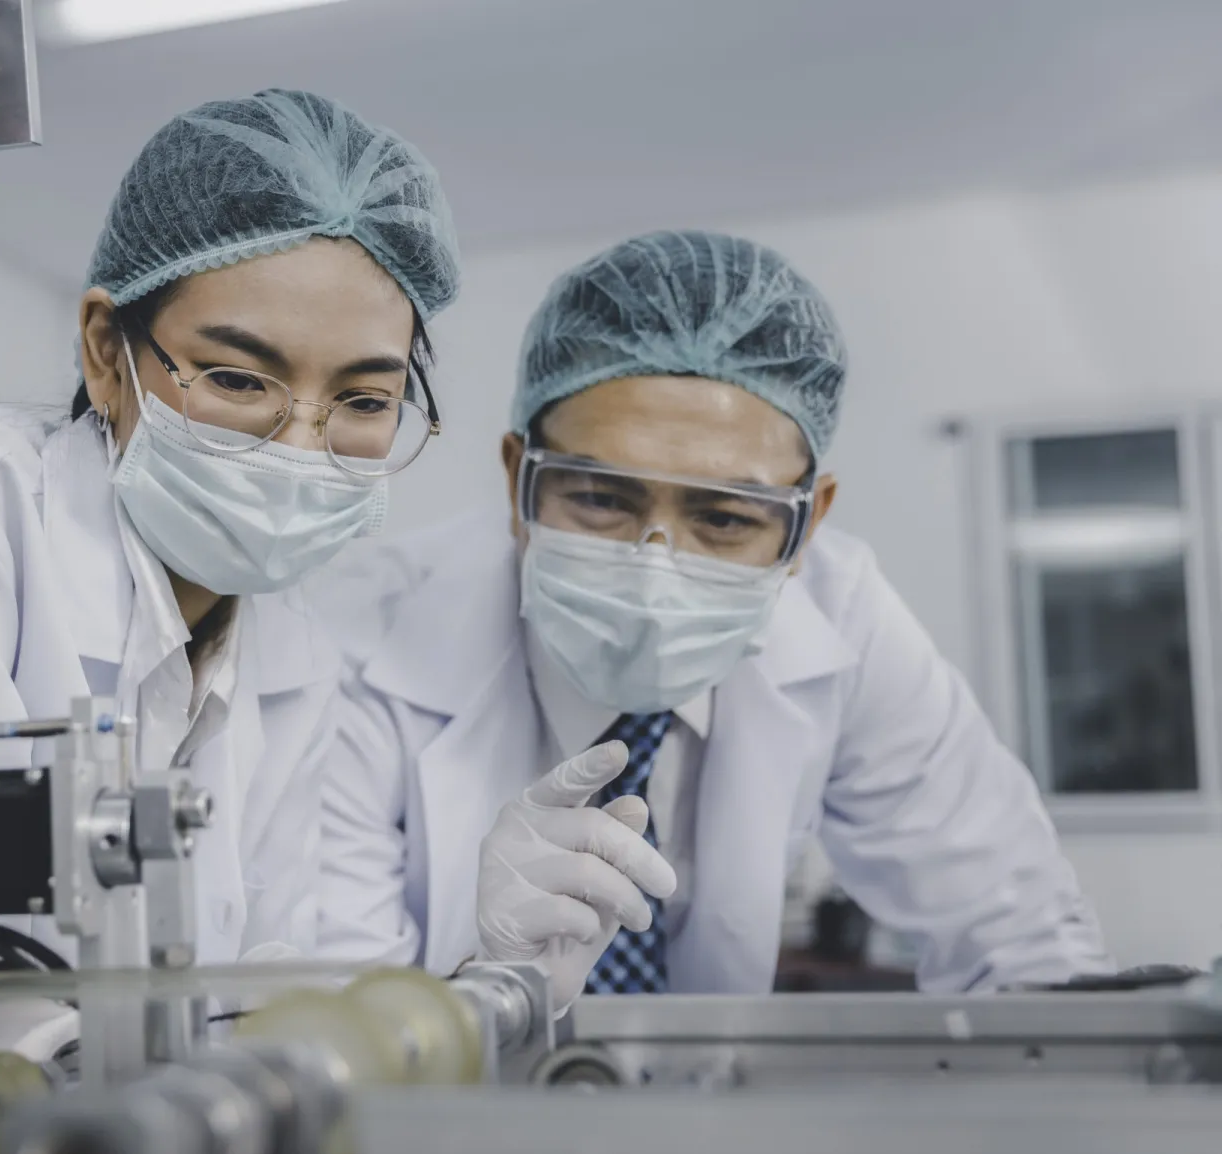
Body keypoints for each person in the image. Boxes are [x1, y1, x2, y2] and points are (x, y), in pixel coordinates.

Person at [311, 230, 1110, 1007]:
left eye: (725, 518)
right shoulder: (355, 640)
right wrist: (481, 992)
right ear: (520, 478)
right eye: (598, 499)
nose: (655, 567)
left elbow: (1020, 937)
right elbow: (331, 1026)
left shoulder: (846, 621)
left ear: (808, 524)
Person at [0, 88, 459, 969]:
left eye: (365, 399)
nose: (302, 446)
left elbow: (263, 984)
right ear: (108, 351)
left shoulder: (290, 644)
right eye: (236, 379)